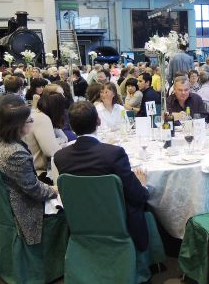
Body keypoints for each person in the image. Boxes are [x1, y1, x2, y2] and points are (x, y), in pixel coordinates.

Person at [52, 101, 153, 251]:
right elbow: (137, 195)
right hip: (116, 221)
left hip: (80, 219)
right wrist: (143, 185)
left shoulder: (60, 157)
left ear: (71, 127)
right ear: (98, 121)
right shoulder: (114, 154)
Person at [0, 103, 59, 245]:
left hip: (7, 202)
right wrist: (55, 191)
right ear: (19, 126)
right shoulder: (16, 153)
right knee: (64, 210)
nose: (32, 123)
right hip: (20, 208)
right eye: (30, 120)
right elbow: (34, 190)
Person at [23, 92, 69, 179]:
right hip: (36, 174)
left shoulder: (38, 114)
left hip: (30, 170)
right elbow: (51, 151)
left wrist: (57, 142)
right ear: (58, 109)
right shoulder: (42, 118)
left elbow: (64, 138)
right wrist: (61, 144)